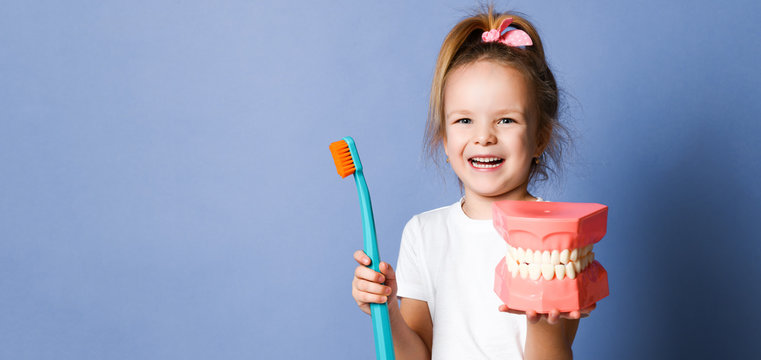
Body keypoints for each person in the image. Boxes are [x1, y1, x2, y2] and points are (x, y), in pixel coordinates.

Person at [351, 8, 594, 359]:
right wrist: (386, 311)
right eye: (464, 120)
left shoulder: (559, 237)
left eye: (506, 120)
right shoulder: (423, 233)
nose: (483, 137)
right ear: (444, 140)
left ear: (540, 137)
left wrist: (543, 323)